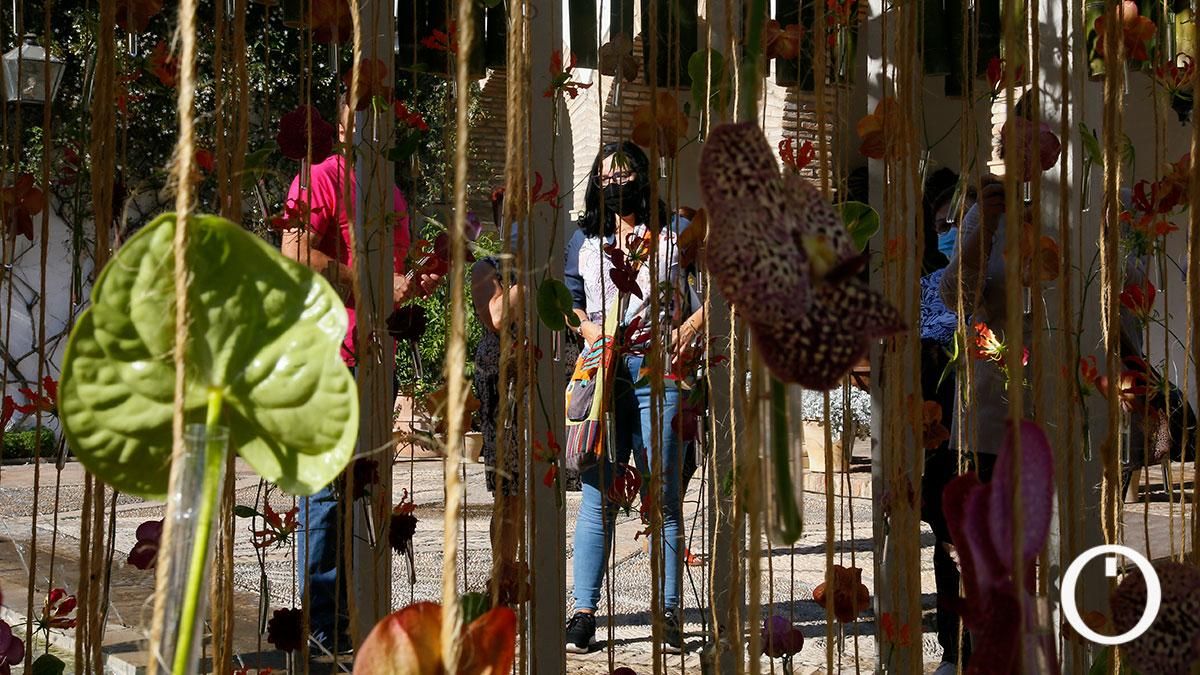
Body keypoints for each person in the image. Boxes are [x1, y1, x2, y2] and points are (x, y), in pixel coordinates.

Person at [279, 93, 439, 652]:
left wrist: (409, 285)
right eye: (363, 110)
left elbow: (390, 275)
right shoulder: (319, 177)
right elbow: (296, 256)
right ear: (342, 121)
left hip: (376, 362)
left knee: (361, 493)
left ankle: (353, 616)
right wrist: (369, 283)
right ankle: (322, 626)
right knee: (325, 493)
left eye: (386, 110)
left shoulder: (390, 190)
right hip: (328, 358)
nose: (375, 121)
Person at [562, 141, 704, 654]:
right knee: (598, 494)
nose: (618, 183)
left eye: (627, 174)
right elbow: (569, 303)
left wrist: (692, 322)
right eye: (608, 175)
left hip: (658, 367)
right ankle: (583, 611)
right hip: (601, 371)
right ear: (597, 182)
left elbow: (722, 285)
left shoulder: (675, 234)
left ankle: (667, 611)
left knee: (661, 493)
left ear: (644, 178)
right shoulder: (582, 238)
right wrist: (585, 329)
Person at [919, 180, 975, 673]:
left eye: (961, 222)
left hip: (990, 433)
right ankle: (953, 649)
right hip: (941, 436)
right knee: (948, 542)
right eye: (943, 225)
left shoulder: (998, 283)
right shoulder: (925, 286)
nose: (952, 232)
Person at [470, 187, 525, 599]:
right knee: (508, 492)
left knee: (539, 487)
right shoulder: (487, 268)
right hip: (503, 389)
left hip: (543, 383)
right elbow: (497, 315)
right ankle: (502, 573)